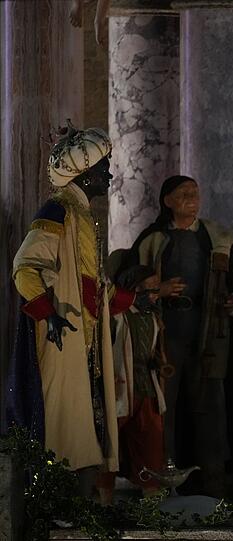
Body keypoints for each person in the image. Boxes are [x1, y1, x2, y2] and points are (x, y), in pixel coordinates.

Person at [7, 122, 141, 495]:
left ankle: (77, 501)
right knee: (65, 418)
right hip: (63, 331)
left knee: (86, 416)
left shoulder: (81, 214)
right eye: (104, 168)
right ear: (85, 174)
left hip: (84, 334)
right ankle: (54, 500)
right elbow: (25, 266)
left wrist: (131, 301)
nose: (110, 175)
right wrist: (47, 312)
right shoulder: (57, 210)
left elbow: (93, 283)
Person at [124, 175, 233, 498]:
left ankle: (214, 487)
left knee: (211, 410)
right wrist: (160, 289)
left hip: (207, 337)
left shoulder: (216, 239)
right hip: (165, 337)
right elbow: (129, 282)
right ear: (167, 200)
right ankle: (160, 487)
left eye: (196, 193)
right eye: (184, 193)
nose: (192, 198)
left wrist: (230, 305)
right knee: (163, 411)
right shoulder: (153, 239)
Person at [96, 253, 170, 504]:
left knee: (150, 441)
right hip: (120, 386)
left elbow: (154, 349)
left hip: (146, 387)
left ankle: (151, 498)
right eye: (150, 289)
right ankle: (104, 499)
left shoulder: (153, 318)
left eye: (156, 289)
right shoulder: (118, 316)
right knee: (110, 445)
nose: (155, 294)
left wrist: (158, 363)